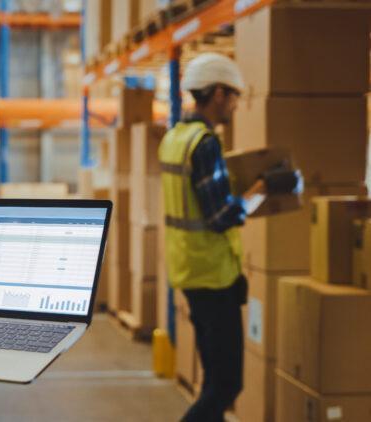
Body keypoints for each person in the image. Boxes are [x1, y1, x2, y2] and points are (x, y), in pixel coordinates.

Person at [159, 53, 254, 422]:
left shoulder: (174, 138)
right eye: (233, 95)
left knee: (215, 379)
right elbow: (218, 216)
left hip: (191, 271)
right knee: (225, 385)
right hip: (213, 279)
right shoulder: (205, 143)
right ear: (217, 93)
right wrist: (258, 193)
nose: (234, 104)